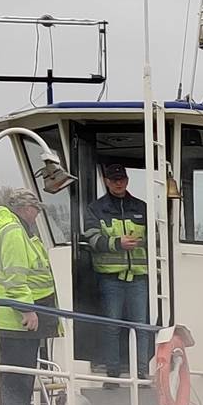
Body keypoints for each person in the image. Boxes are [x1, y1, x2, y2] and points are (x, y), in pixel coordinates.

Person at [0, 189, 59, 405]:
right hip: (15, 319)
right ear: (26, 209)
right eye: (36, 210)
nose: (36, 216)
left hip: (1, 315)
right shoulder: (14, 231)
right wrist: (27, 309)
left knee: (11, 372)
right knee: (18, 373)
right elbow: (16, 276)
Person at [80, 161, 151, 377]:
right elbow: (92, 239)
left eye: (121, 179)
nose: (118, 183)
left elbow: (157, 237)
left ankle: (142, 372)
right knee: (111, 327)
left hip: (138, 278)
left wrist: (143, 242)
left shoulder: (142, 207)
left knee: (142, 327)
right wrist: (117, 243)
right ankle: (112, 374)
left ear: (127, 181)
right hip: (110, 278)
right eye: (114, 180)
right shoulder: (95, 209)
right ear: (107, 181)